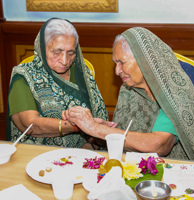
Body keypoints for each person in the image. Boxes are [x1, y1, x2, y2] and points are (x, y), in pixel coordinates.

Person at [63, 27, 194, 160]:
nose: (117, 71)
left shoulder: (173, 94)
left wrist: (95, 128)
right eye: (115, 64)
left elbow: (159, 145)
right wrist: (99, 133)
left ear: (144, 61)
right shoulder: (129, 90)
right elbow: (127, 137)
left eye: (121, 62)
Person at [6, 18, 114, 149]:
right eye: (57, 52)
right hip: (37, 154)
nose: (64, 61)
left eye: (70, 53)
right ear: (41, 47)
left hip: (83, 153)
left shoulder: (82, 74)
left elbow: (99, 118)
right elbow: (30, 125)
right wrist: (77, 125)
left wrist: (90, 146)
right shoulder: (23, 76)